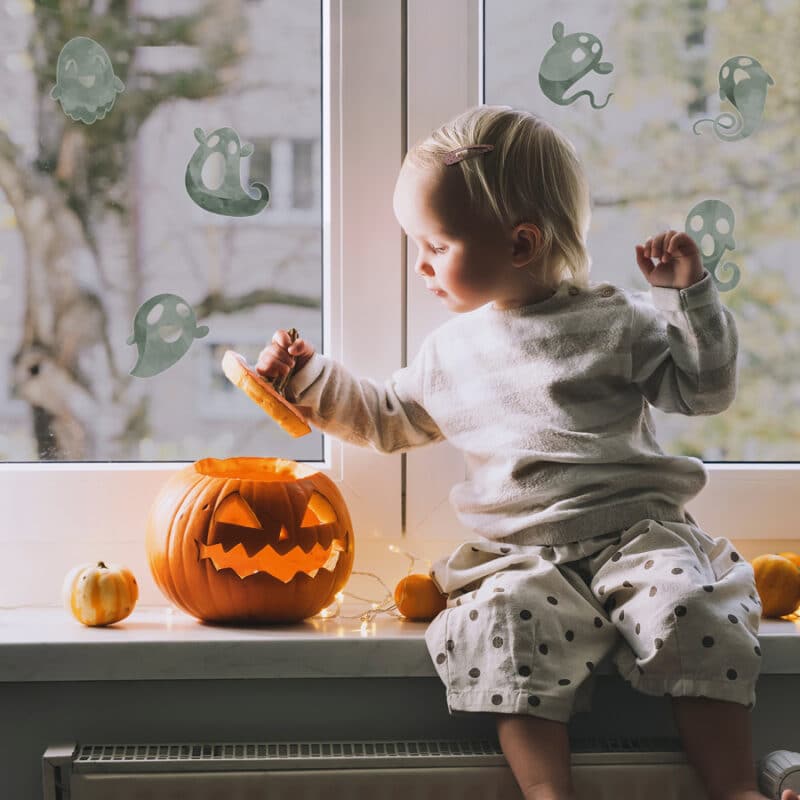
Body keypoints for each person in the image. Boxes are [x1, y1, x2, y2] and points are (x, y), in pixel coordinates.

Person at [255, 105, 797, 800]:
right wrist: (304, 377)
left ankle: (731, 787)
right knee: (500, 627)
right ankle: (546, 792)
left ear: (520, 244)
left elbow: (704, 390)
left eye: (436, 246)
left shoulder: (616, 321)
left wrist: (689, 300)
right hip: (521, 555)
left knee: (696, 608)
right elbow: (386, 417)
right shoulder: (451, 352)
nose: (420, 265)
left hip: (637, 534)